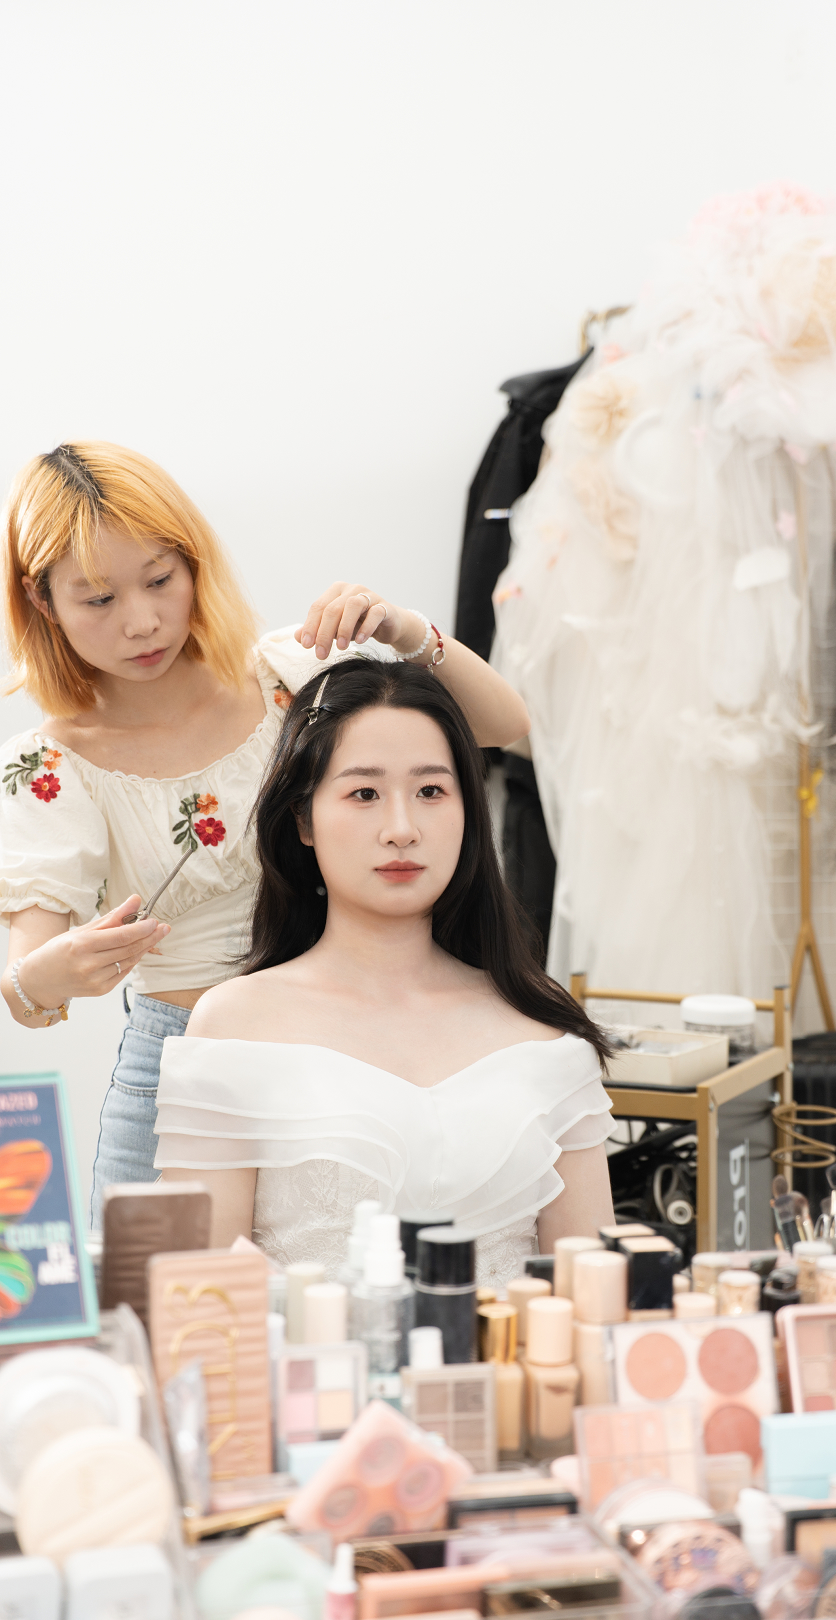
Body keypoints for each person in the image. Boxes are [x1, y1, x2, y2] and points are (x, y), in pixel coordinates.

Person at [0, 442, 530, 1223]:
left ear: (193, 565)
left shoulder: (289, 676)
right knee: (158, 1294)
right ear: (42, 602)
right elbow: (29, 981)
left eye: (159, 580)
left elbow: (501, 725)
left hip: (344, 1048)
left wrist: (401, 626)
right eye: (98, 599)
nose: (142, 622)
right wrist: (46, 976)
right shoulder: (53, 766)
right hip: (179, 1065)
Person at [154, 657, 615, 1286]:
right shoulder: (235, 1024)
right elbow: (201, 1296)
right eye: (364, 794)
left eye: (431, 792)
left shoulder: (542, 1031)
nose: (402, 830)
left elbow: (591, 1298)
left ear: (468, 812)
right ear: (303, 819)